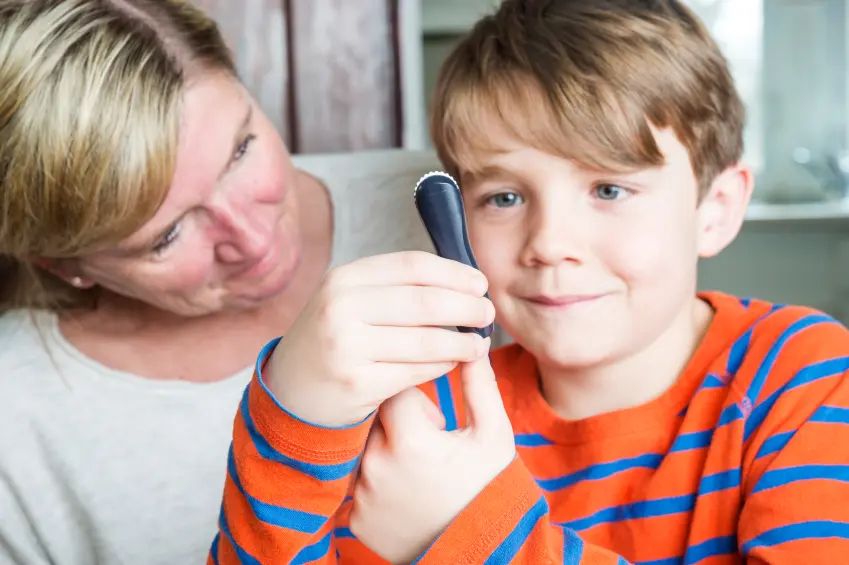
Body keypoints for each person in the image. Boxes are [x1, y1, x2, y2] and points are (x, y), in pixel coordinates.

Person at [210, 0, 849, 563]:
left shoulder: (802, 376)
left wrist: (464, 528)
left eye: (608, 188)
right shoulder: (436, 417)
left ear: (716, 208)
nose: (548, 244)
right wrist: (292, 417)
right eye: (506, 198)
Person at [0, 1, 442, 563]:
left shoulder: (467, 204)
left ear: (236, 72)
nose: (254, 241)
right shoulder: (16, 428)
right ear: (62, 265)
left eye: (240, 150)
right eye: (166, 236)